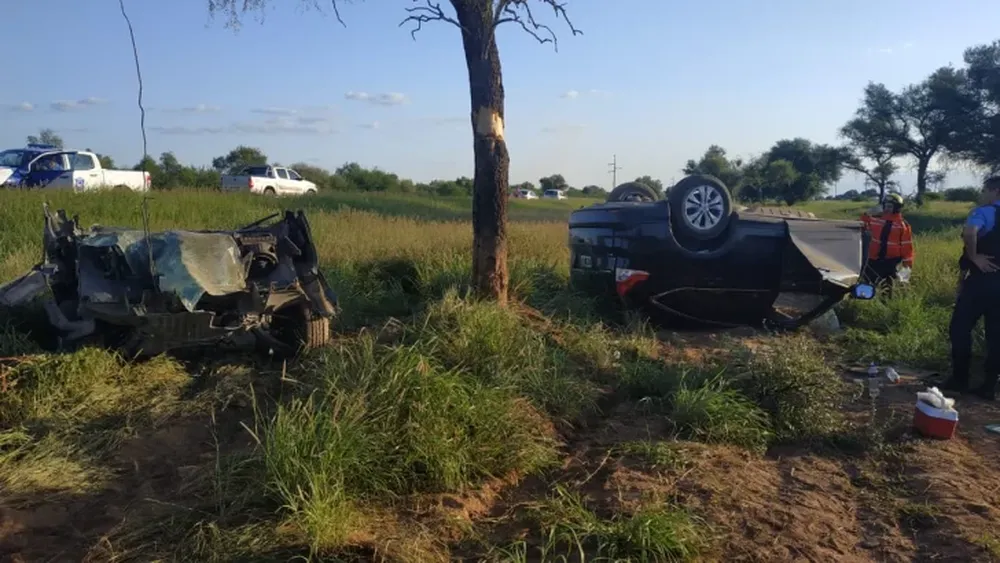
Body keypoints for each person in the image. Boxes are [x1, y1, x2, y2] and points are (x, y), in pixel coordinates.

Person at [943, 176, 1000, 400]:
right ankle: (989, 386)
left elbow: (970, 232)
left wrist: (975, 257)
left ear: (995, 191)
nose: (982, 194)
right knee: (996, 336)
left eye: (984, 190)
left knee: (959, 328)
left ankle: (959, 379)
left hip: (982, 282)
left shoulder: (985, 212)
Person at [860, 192, 914, 294]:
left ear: (897, 208)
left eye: (890, 206)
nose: (887, 209)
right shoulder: (875, 219)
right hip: (873, 260)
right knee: (867, 285)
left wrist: (907, 268)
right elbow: (861, 224)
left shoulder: (903, 225)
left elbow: (907, 248)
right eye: (885, 206)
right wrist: (867, 213)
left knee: (888, 290)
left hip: (891, 263)